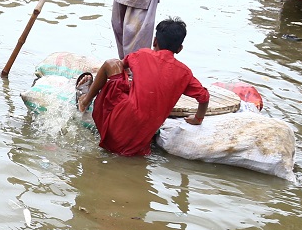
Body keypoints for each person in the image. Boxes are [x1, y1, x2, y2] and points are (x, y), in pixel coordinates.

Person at [75, 18, 209, 157]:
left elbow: (120, 66)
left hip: (118, 126)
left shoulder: (143, 54)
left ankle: (84, 101)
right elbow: (204, 97)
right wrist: (198, 119)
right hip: (141, 139)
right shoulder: (184, 73)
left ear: (155, 41)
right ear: (180, 49)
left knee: (110, 64)